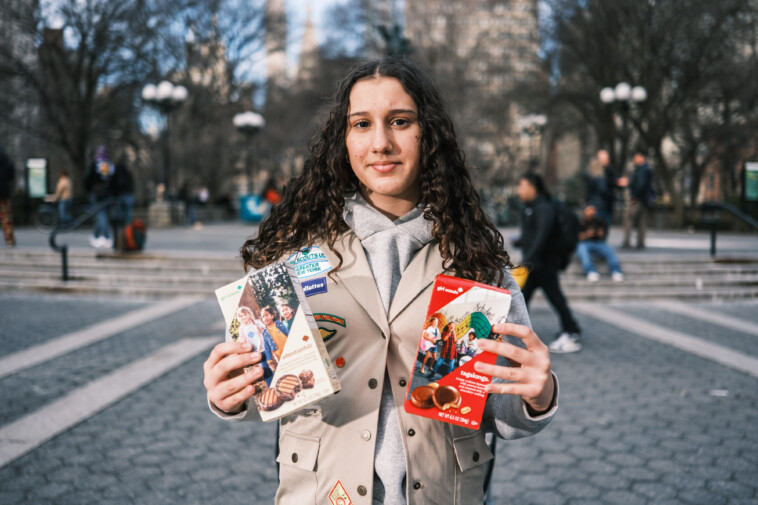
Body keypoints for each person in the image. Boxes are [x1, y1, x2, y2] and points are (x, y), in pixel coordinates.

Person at [202, 58, 557, 505]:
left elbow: (501, 412)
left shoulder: (474, 262)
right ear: (343, 140)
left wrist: (538, 395)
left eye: (400, 121)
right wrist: (229, 394)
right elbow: (262, 394)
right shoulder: (293, 256)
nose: (381, 143)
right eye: (361, 124)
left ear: (427, 134)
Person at [516, 172, 582, 354]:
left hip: (544, 264)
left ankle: (572, 330)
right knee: (522, 299)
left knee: (553, 297)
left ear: (532, 187)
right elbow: (532, 236)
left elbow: (542, 236)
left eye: (521, 186)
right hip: (535, 265)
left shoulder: (543, 208)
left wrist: (527, 259)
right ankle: (519, 333)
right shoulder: (530, 208)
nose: (518, 190)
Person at [576, 204, 624, 282]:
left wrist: (600, 234)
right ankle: (590, 271)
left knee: (609, 250)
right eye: (590, 210)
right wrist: (587, 234)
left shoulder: (599, 221)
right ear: (585, 211)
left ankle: (616, 271)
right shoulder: (579, 221)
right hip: (584, 243)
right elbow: (576, 237)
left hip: (597, 242)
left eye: (594, 210)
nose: (592, 212)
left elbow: (603, 235)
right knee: (582, 250)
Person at [621, 148, 654, 249]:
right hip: (645, 200)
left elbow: (640, 185)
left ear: (641, 157)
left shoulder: (641, 170)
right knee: (642, 222)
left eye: (636, 157)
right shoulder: (647, 168)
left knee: (628, 219)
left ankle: (627, 242)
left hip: (637, 200)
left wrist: (633, 196)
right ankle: (640, 243)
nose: (634, 159)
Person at [84, 145, 116, 248]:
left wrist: (90, 190)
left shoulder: (95, 164)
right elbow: (112, 180)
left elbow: (87, 180)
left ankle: (100, 236)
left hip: (97, 194)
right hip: (107, 194)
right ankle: (101, 236)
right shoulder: (109, 165)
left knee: (100, 215)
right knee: (102, 215)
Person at [236, 306, 276, 385]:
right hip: (257, 351)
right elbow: (243, 341)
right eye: (241, 316)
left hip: (265, 347)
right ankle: (271, 384)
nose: (243, 317)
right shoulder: (242, 329)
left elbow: (265, 331)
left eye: (245, 315)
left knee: (272, 363)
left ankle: (277, 378)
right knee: (264, 367)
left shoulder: (257, 322)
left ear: (249, 315)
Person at [596, 149, 620, 222]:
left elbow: (616, 181)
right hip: (597, 202)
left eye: (606, 159)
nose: (605, 161)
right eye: (603, 159)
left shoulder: (610, 170)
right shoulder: (594, 171)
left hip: (607, 202)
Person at [0, 146, 16, 247]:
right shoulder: (7, 161)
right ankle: (9, 238)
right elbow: (11, 175)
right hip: (4, 192)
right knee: (6, 216)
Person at [112, 155, 135, 225]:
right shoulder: (126, 171)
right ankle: (127, 232)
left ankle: (120, 232)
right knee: (127, 216)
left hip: (120, 195)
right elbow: (131, 182)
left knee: (118, 215)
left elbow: (112, 184)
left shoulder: (115, 170)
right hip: (128, 194)